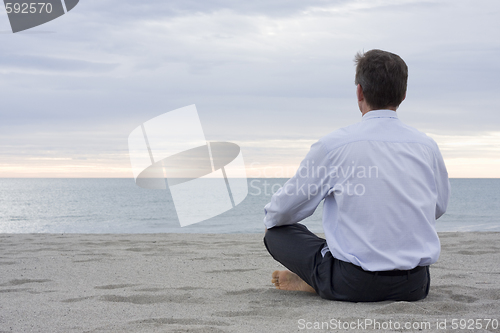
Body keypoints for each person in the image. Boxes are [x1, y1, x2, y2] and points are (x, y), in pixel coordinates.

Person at [263, 49, 450, 302]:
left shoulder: (333, 146)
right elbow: (437, 207)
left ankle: (317, 279)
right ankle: (322, 276)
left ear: (359, 92)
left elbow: (282, 211)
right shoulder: (427, 146)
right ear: (403, 95)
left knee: (276, 232)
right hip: (415, 285)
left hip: (353, 283)